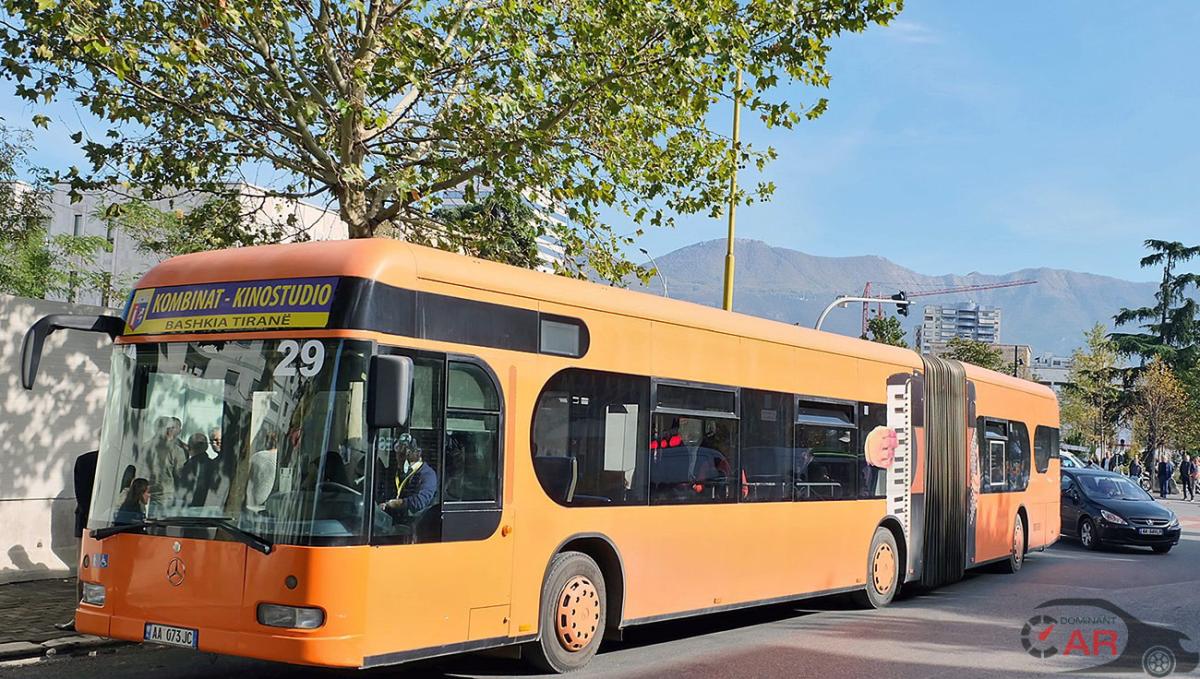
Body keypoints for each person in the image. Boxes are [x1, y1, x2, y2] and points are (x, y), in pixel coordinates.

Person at [55, 450, 99, 631]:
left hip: (90, 522)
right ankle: (83, 615)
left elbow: (82, 498)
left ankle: (82, 615)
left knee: (84, 572)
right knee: (85, 571)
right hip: (100, 522)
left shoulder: (86, 460)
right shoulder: (121, 459)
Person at [379, 434, 438, 524]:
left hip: (413, 526)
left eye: (406, 452)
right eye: (398, 449)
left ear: (418, 453)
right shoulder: (393, 471)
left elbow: (419, 502)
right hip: (387, 523)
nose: (399, 455)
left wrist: (394, 504)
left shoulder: (428, 475)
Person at [145, 416, 186, 505]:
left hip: (144, 495)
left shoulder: (144, 447)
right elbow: (182, 476)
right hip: (165, 498)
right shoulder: (176, 451)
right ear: (169, 430)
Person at [245, 430, 279, 513]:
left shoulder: (256, 457)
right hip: (276, 504)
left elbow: (247, 480)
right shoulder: (282, 459)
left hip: (254, 504)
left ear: (266, 441)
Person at [177, 432, 213, 507]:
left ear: (189, 447)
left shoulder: (189, 466)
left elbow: (183, 491)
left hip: (191, 509)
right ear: (206, 447)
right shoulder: (214, 464)